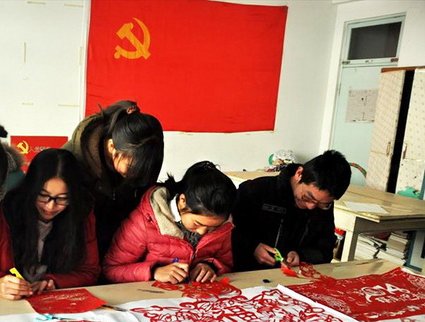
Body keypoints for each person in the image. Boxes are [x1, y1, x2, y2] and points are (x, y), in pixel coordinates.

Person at [0, 148, 100, 300]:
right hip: (9, 307)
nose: (50, 206)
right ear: (31, 189)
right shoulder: (2, 217)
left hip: (55, 303)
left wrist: (54, 282)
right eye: (43, 196)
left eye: (62, 198)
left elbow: (90, 271)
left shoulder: (81, 216)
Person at [103, 161, 236, 284]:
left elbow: (226, 263)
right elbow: (110, 270)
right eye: (197, 223)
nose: (202, 231)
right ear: (182, 201)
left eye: (213, 227)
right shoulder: (146, 220)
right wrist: (154, 272)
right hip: (152, 300)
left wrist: (211, 266)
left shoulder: (223, 226)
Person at [63, 100, 164, 259]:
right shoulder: (72, 162)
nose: (135, 175)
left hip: (119, 251)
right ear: (111, 147)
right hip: (79, 251)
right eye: (132, 168)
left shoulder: (148, 152)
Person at [232, 150, 351, 272]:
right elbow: (227, 232)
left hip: (292, 278)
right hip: (247, 274)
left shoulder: (322, 205)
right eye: (307, 197)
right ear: (299, 174)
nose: (311, 207)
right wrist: (252, 247)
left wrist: (301, 255)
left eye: (322, 204)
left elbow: (325, 249)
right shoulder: (256, 191)